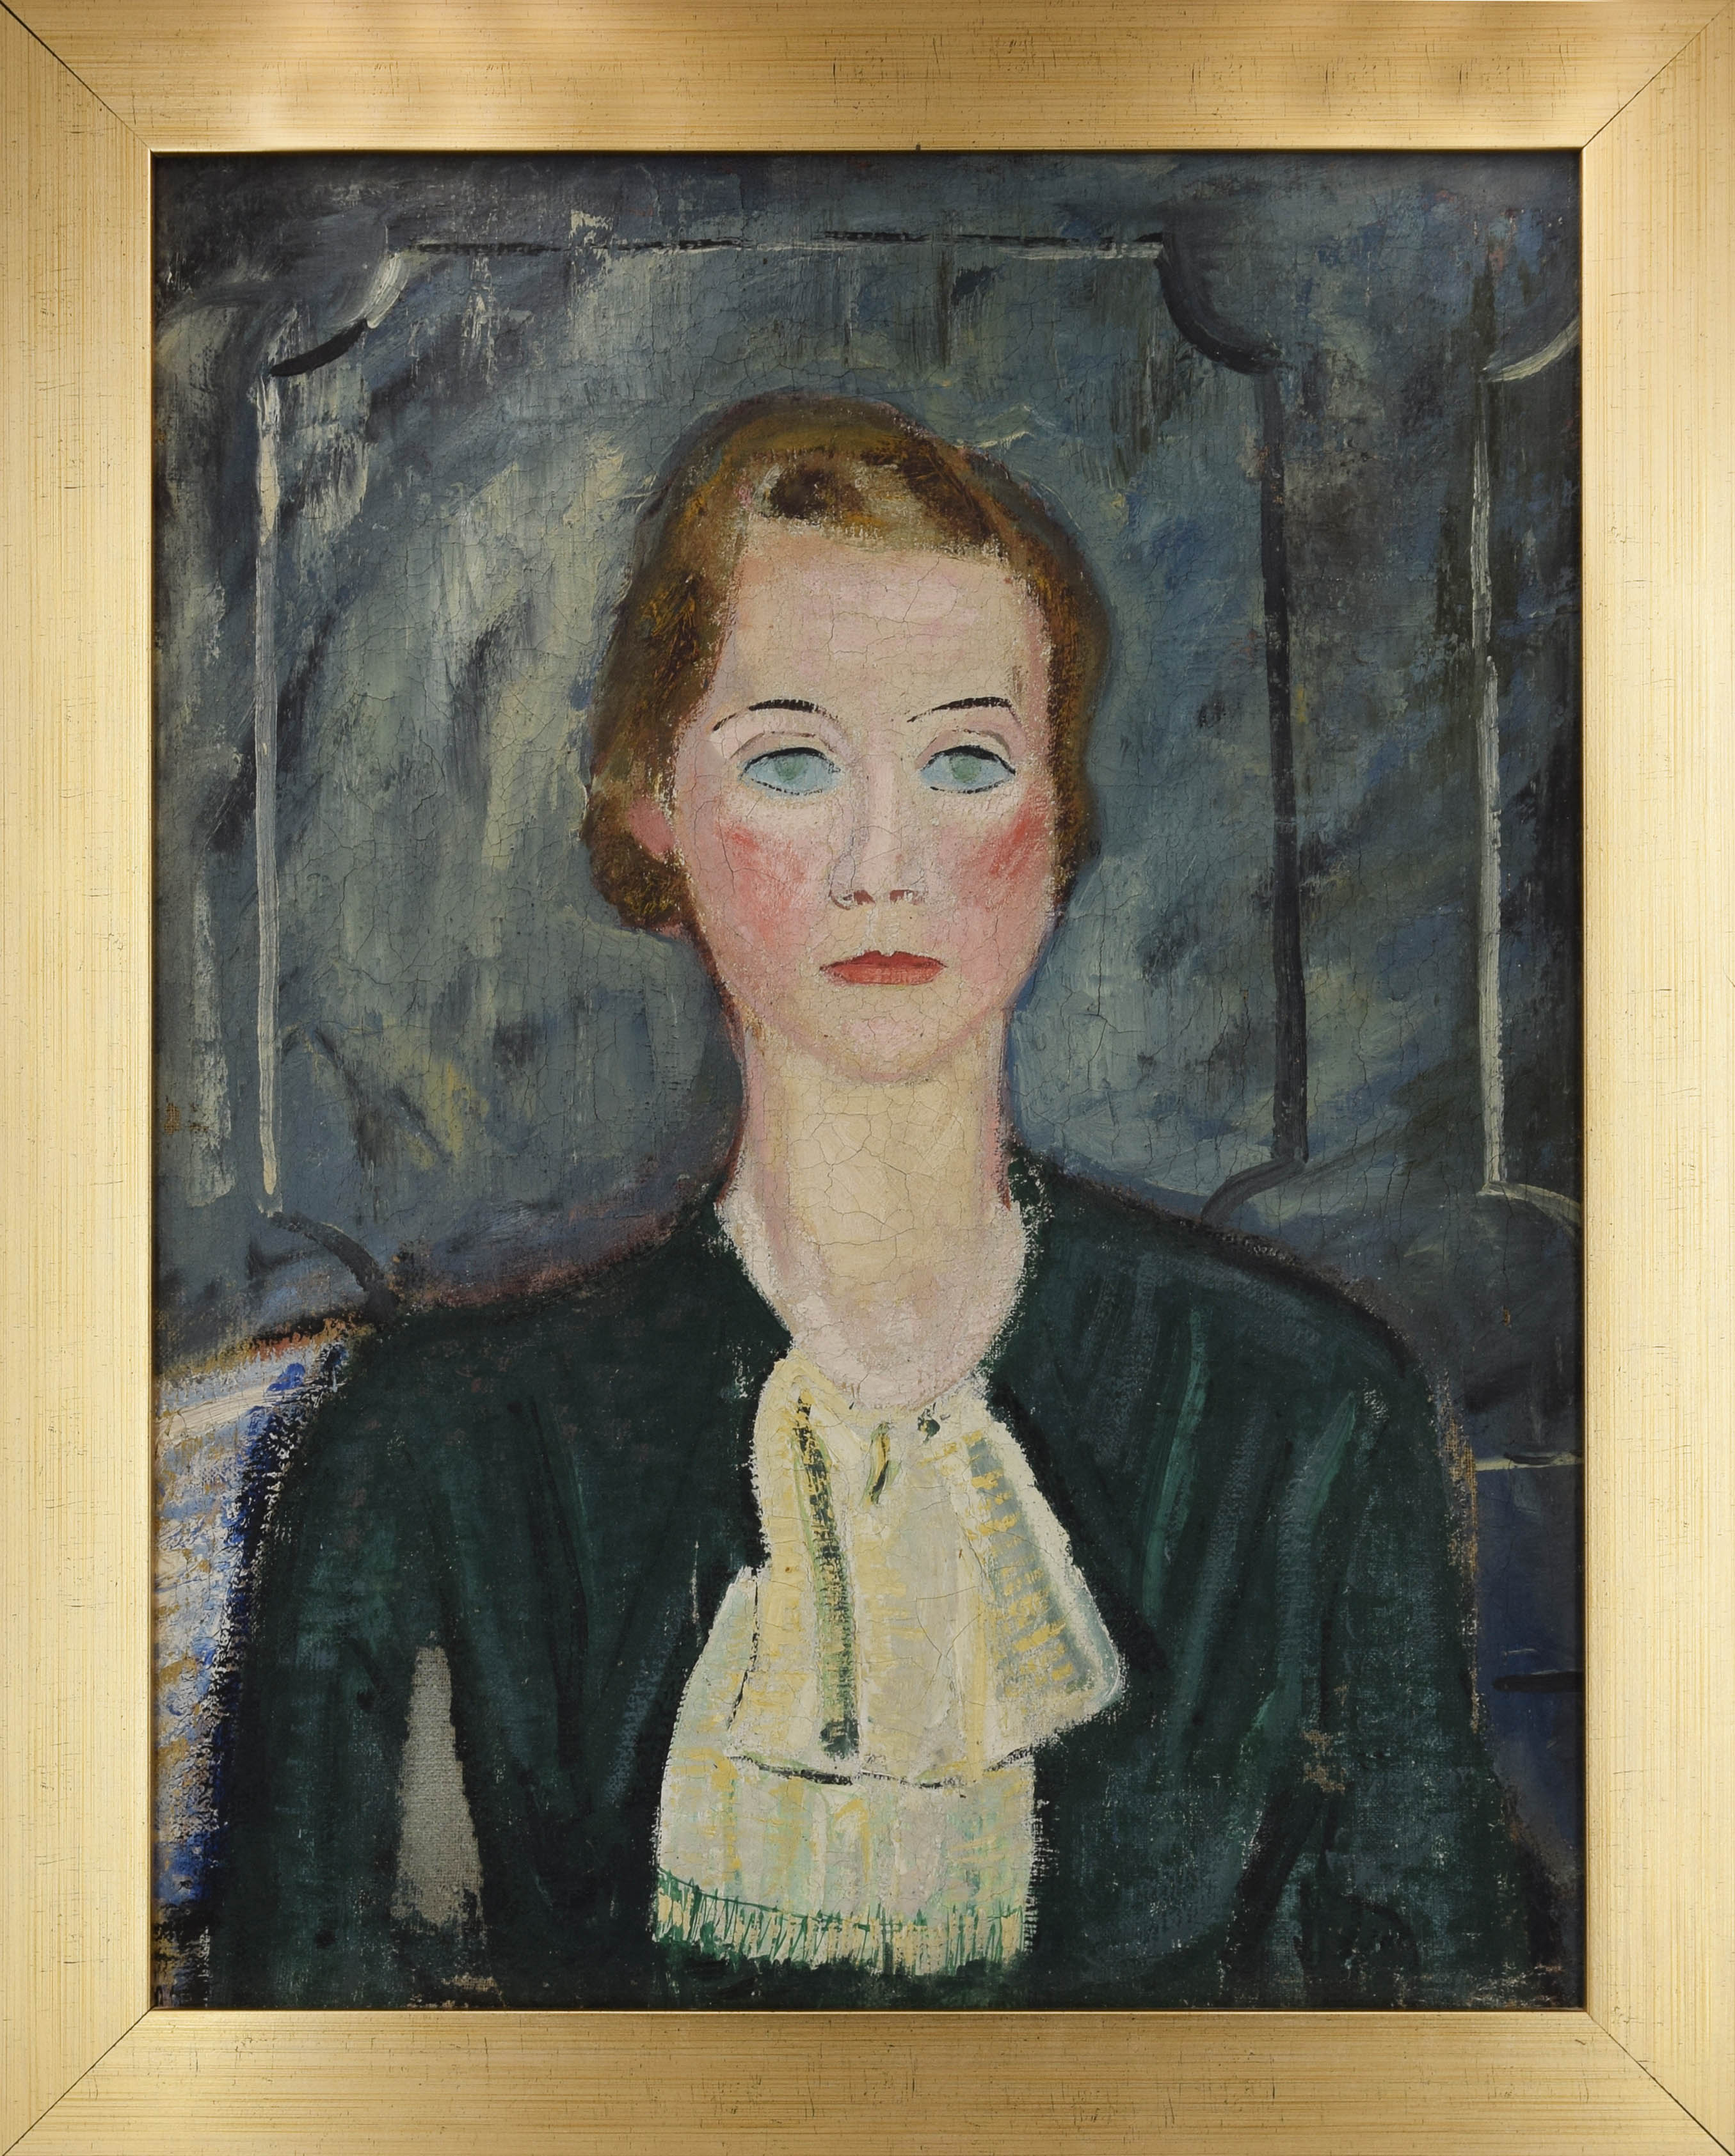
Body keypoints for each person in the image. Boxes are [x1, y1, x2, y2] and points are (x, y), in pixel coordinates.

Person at [206, 393, 1534, 2008]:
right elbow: (319, 2052)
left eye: (967, 760)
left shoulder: (1309, 1418)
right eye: (792, 762)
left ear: (1055, 821)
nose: (883, 861)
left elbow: (1437, 2034)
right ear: (658, 814)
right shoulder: (430, 1458)